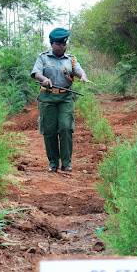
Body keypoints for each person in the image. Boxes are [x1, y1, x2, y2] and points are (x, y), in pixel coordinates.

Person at [31, 27, 93, 173]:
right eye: (58, 44)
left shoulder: (71, 59)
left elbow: (78, 70)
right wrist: (44, 79)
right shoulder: (43, 58)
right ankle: (53, 163)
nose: (62, 47)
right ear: (51, 43)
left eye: (64, 44)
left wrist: (82, 76)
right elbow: (36, 73)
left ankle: (66, 163)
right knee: (49, 130)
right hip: (47, 97)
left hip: (65, 97)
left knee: (66, 127)